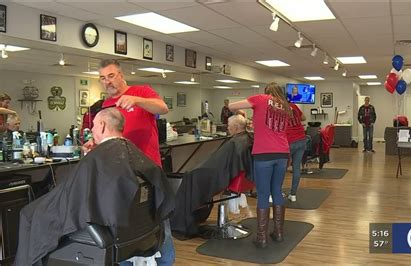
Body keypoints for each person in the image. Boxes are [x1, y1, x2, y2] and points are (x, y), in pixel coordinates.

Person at [15, 108, 175, 266]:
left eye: (93, 126)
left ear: (103, 125)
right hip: (134, 230)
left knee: (29, 214)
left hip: (106, 229)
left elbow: (78, 197)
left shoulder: (99, 157)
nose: (91, 130)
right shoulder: (132, 153)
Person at [83, 59, 173, 264]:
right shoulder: (105, 105)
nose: (107, 81)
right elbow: (107, 135)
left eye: (111, 76)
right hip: (120, 177)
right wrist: (93, 143)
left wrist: (136, 100)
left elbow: (163, 108)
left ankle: (166, 262)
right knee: (124, 228)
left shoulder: (141, 91)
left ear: (121, 75)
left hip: (147, 173)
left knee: (157, 222)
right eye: (103, 78)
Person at [229, 82, 291, 248]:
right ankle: (278, 233)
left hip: (264, 154)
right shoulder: (286, 106)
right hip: (282, 154)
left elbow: (231, 105)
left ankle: (262, 237)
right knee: (277, 191)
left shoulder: (260, 99)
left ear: (266, 91)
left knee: (263, 194)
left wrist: (242, 111)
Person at [171, 114, 253, 238]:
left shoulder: (235, 142)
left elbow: (220, 165)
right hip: (238, 178)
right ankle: (195, 216)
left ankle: (182, 223)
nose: (227, 129)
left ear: (236, 128)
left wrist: (195, 172)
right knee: (193, 176)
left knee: (190, 178)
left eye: (229, 126)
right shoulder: (245, 139)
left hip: (226, 178)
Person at [286, 103, 307, 202]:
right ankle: (293, 194)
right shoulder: (293, 105)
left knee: (282, 168)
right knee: (296, 168)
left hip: (289, 140)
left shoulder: (277, 107)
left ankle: (277, 192)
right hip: (301, 139)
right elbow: (303, 118)